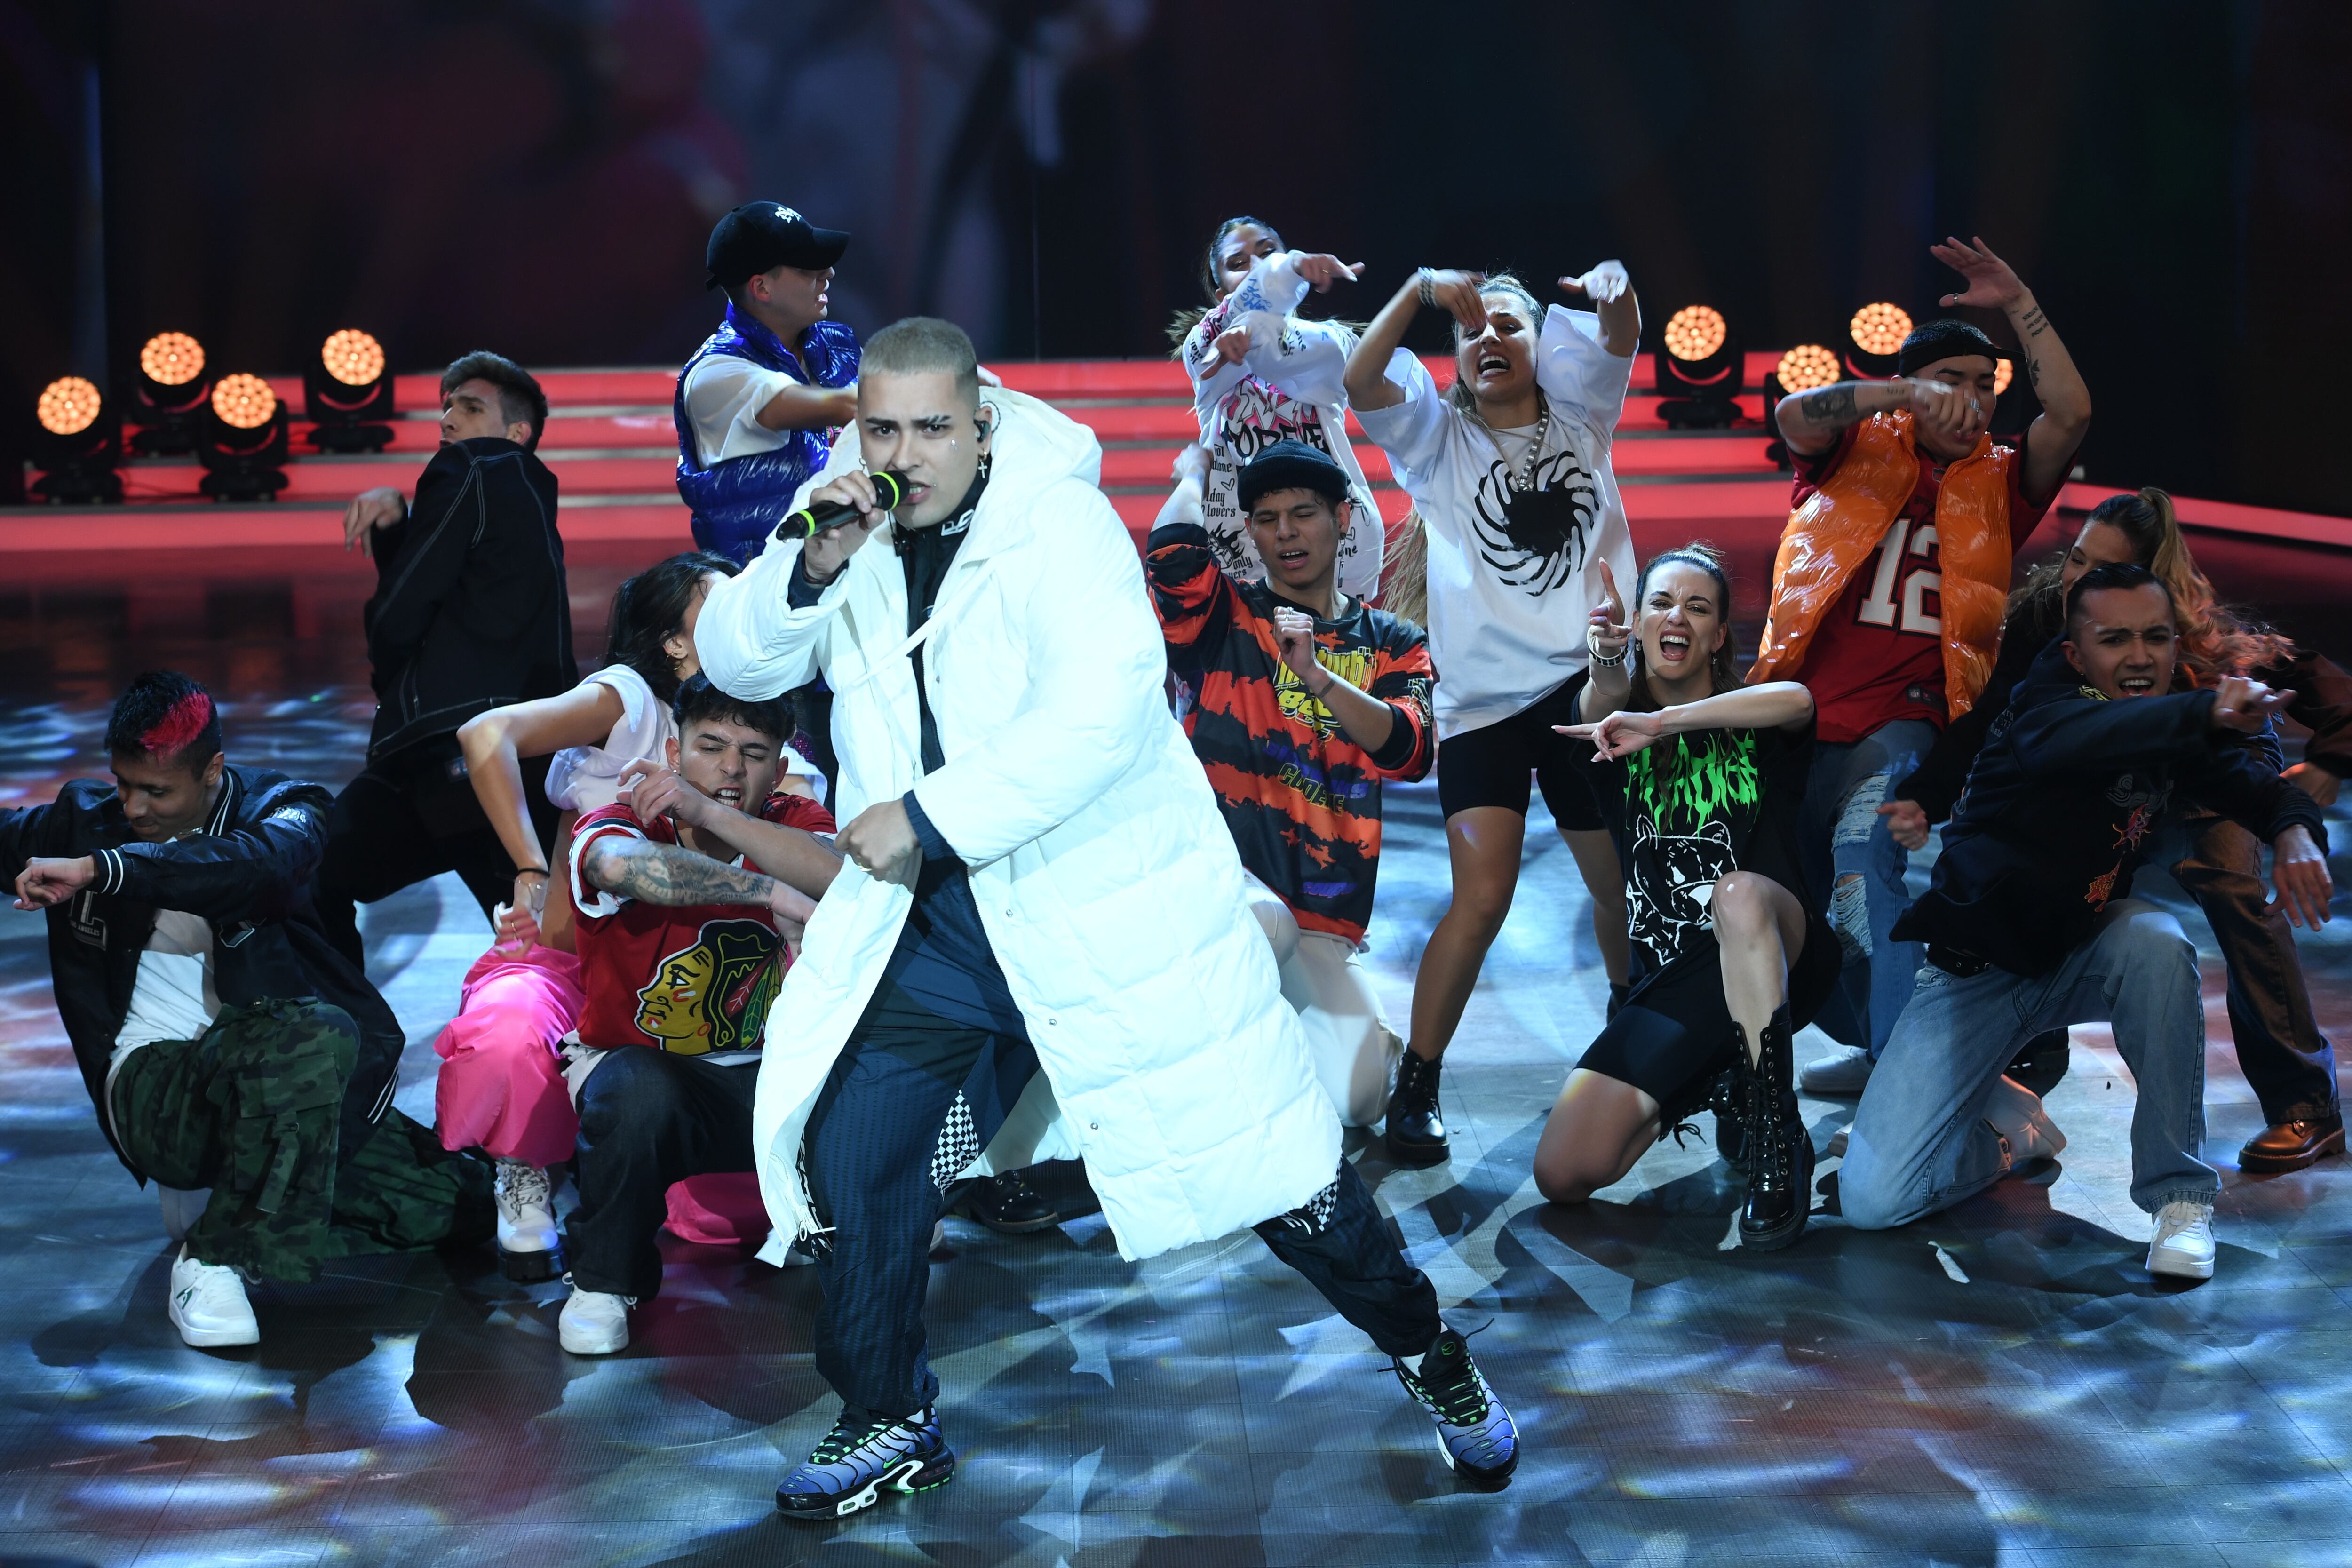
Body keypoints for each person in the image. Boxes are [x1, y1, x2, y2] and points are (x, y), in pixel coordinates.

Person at [695, 316, 1521, 1518]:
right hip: (938, 932)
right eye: (883, 426)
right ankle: (888, 1415)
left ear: (980, 422)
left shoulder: (1059, 524)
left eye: (934, 427)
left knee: (1276, 1174)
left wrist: (926, 816)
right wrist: (810, 567)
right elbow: (737, 653)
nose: (907, 452)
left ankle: (1426, 1351)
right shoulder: (844, 520)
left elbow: (1101, 709)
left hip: (1104, 910)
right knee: (858, 1156)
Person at [1841, 564, 2332, 1281]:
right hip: (1977, 974)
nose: (2140, 656)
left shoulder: (2173, 719)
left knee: (2159, 942)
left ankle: (2182, 1201)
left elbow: (2252, 785)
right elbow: (2082, 736)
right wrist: (2201, 714)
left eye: (2156, 638)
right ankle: (2013, 1135)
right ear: (2077, 653)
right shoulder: (2047, 702)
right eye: (2117, 639)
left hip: (2085, 950)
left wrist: (2293, 832)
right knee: (1873, 1203)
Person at [2, 673, 491, 1347]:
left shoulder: (287, 810)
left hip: (276, 1084)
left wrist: (107, 869)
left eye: (156, 791)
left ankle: (233, 1189)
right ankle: (212, 1256)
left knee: (464, 1204)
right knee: (314, 1037)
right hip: (157, 1085)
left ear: (213, 771)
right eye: (123, 784)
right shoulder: (83, 820)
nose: (134, 807)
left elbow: (247, 872)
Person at [1884, 489, 2352, 1171]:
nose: (2083, 581)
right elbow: (2007, 723)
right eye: (2078, 561)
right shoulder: (2051, 617)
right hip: (2106, 781)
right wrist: (1928, 793)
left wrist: (2306, 801)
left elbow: (2308, 681)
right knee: (2060, 863)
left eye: (2107, 570)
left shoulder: (2177, 633)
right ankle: (2008, 1066)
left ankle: (2303, 1102)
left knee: (2232, 883)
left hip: (2194, 773)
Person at [1760, 237, 2093, 1097]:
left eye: (1988, 387)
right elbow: (1796, 412)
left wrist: (2019, 298)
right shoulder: (1854, 446)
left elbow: (2072, 413)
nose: (1976, 401)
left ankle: (1912, 1088)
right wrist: (1908, 389)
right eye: (1958, 383)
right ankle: (1879, 1043)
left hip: (1910, 717)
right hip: (1796, 709)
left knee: (1859, 862)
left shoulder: (2005, 480)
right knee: (1796, 900)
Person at [1340, 259, 1643, 1167]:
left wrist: (1613, 290)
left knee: (1615, 885)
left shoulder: (1584, 415)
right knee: (1482, 896)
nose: (1489, 341)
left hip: (1586, 691)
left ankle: (1631, 1030)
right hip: (1482, 708)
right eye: (1472, 332)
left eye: (1508, 325)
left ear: (1546, 346)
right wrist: (1422, 291)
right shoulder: (1436, 442)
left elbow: (1623, 333)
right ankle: (1420, 1079)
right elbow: (1361, 377)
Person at [433, 550, 739, 1278]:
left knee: (724, 1220)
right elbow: (486, 736)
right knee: (507, 1027)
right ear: (674, 640)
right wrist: (533, 868)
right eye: (720, 604)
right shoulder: (631, 698)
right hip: (577, 970)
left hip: (690, 983)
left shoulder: (754, 704)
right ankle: (524, 1164)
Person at [1532, 546, 1841, 1250]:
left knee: (1734, 895)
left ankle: (1774, 1135)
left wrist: (1669, 722)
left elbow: (1799, 701)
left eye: (1698, 608)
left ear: (1718, 635)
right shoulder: (1607, 732)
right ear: (1639, 623)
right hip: (1674, 982)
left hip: (1775, 939)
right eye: (1661, 603)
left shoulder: (1749, 720)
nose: (1678, 616)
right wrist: (1608, 661)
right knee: (1565, 1171)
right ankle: (1721, 1074)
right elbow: (1599, 700)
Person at [1147, 438, 1435, 1125]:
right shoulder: (1224, 618)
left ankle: (1348, 1038)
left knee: (1360, 1102)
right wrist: (1193, 475)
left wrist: (1317, 676)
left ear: (1343, 519)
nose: (1286, 534)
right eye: (1268, 519)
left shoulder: (1392, 641)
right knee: (1261, 922)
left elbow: (1409, 751)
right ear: (1249, 531)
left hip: (1324, 918)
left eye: (1303, 514)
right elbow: (1172, 553)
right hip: (1224, 899)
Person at [554, 676, 841, 1354]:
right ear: (675, 750)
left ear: (781, 766)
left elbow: (840, 873)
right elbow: (623, 869)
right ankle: (602, 1281)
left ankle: (852, 1230)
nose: (732, 768)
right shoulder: (618, 820)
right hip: (655, 1077)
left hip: (772, 1077)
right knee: (637, 1090)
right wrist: (769, 891)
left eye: (753, 751)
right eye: (712, 747)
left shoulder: (795, 826)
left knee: (876, 1058)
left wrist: (717, 820)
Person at [319, 351, 575, 971]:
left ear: (517, 431)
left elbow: (406, 606)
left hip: (446, 754)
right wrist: (396, 524)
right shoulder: (532, 495)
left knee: (312, 871)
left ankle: (349, 1037)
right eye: (447, 404)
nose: (448, 417)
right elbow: (454, 593)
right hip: (525, 754)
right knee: (546, 949)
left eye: (470, 406)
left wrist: (390, 672)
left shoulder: (472, 465)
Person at [1168, 215, 1386, 597]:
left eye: (1268, 255)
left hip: (1339, 562)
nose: (1256, 268)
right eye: (1238, 264)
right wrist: (1288, 269)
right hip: (1241, 570)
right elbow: (1217, 336)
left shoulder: (1333, 342)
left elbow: (1280, 352)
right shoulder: (1206, 352)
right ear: (1222, 296)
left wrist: (1254, 327)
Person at [675, 201, 861, 566]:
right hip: (762, 587)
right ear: (761, 287)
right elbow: (849, 406)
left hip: (853, 567)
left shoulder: (837, 344)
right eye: (807, 266)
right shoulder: (714, 374)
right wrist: (937, 386)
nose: (829, 273)